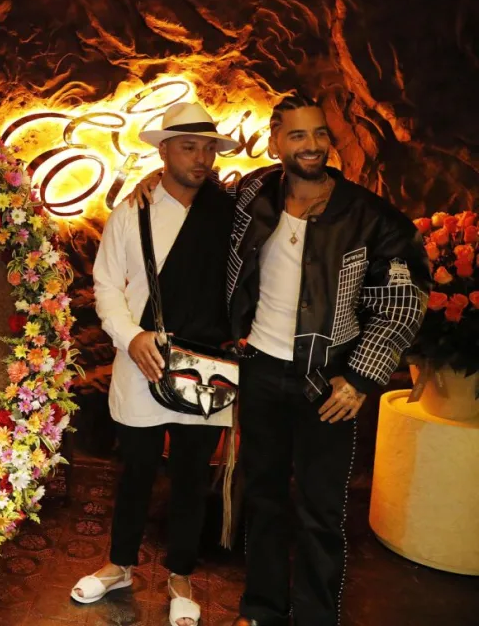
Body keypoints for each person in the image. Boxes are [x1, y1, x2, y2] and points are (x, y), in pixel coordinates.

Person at [126, 93, 430, 626]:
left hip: (329, 379)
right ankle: (262, 609)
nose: (311, 145)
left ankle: (315, 618)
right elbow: (198, 193)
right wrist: (154, 184)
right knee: (262, 498)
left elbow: (404, 303)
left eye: (318, 134)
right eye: (297, 135)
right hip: (261, 370)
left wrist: (360, 377)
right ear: (274, 143)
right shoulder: (252, 195)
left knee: (320, 511)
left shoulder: (368, 216)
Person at [71, 101, 239, 626]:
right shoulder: (133, 210)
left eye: (209, 147)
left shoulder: (232, 211)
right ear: (162, 151)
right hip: (141, 358)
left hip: (207, 364)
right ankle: (119, 564)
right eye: (188, 146)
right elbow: (105, 284)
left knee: (191, 475)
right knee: (136, 469)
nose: (202, 158)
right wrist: (130, 335)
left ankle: (181, 577)